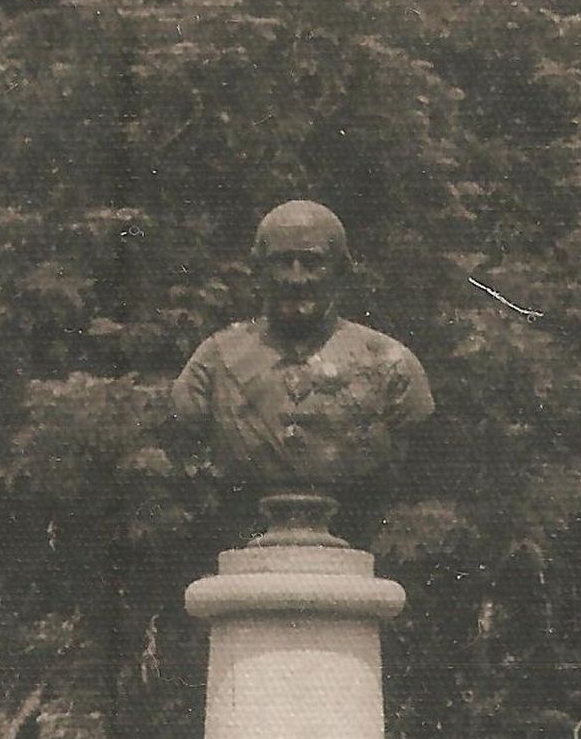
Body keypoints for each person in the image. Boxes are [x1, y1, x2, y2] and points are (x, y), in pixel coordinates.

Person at [170, 200, 432, 540]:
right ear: (259, 271)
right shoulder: (213, 361)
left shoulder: (390, 363)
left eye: (312, 262)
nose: (296, 278)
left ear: (341, 270)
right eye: (282, 262)